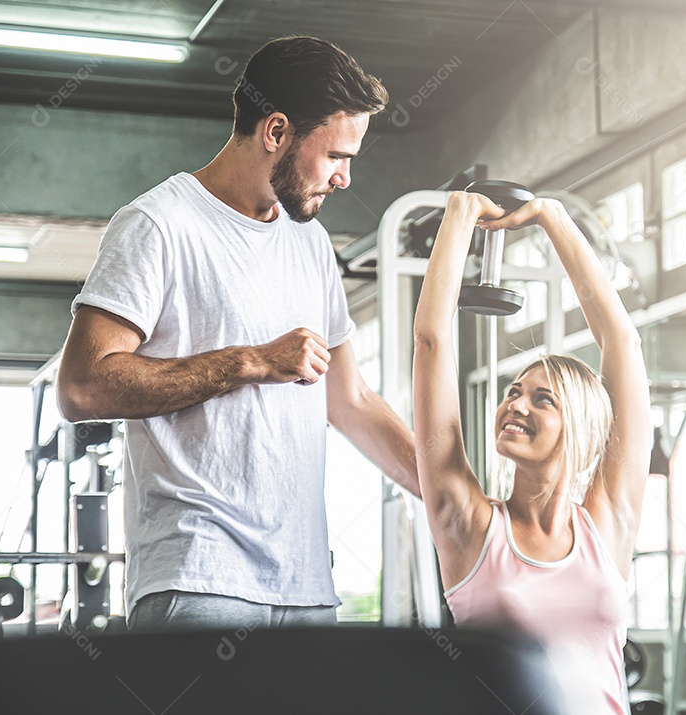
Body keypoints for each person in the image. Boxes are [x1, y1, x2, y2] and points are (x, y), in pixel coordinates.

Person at [56, 36, 419, 631]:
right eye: (335, 156)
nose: (345, 178)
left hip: (304, 584)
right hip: (200, 578)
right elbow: (83, 387)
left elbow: (349, 402)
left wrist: (458, 503)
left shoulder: (310, 243)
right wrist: (250, 362)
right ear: (276, 131)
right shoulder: (158, 225)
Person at [413, 191, 651, 714]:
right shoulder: (469, 527)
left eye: (543, 399)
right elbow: (432, 341)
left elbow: (622, 344)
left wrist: (553, 217)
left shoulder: (608, 524)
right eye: (513, 392)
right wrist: (459, 216)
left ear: (582, 427)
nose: (515, 405)